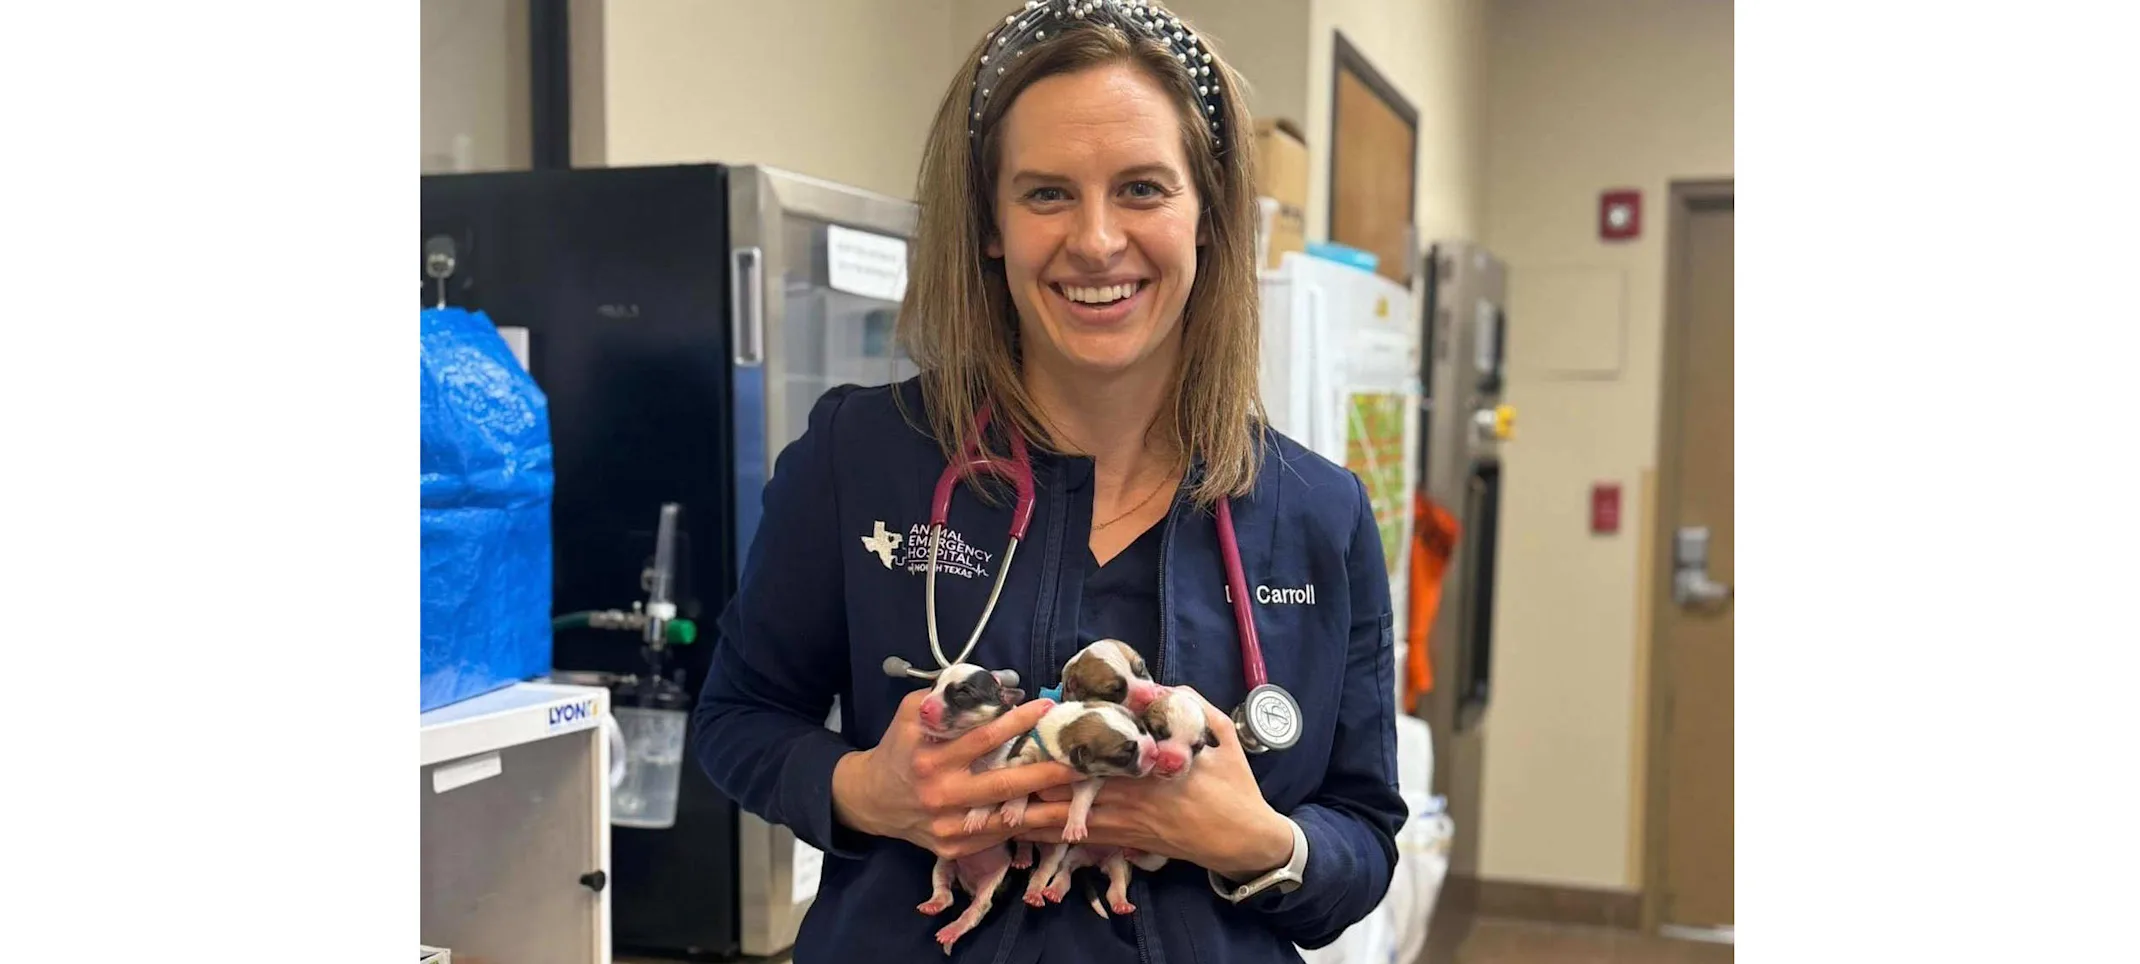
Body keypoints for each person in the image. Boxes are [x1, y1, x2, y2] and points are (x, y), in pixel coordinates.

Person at [693, 2, 1407, 961]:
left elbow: (1362, 834)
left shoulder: (1318, 513)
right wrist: (870, 791)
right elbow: (738, 721)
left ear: (1209, 216)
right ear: (990, 222)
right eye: (1046, 194)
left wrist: (1256, 840)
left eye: (1144, 188)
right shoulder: (861, 455)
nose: (1098, 241)